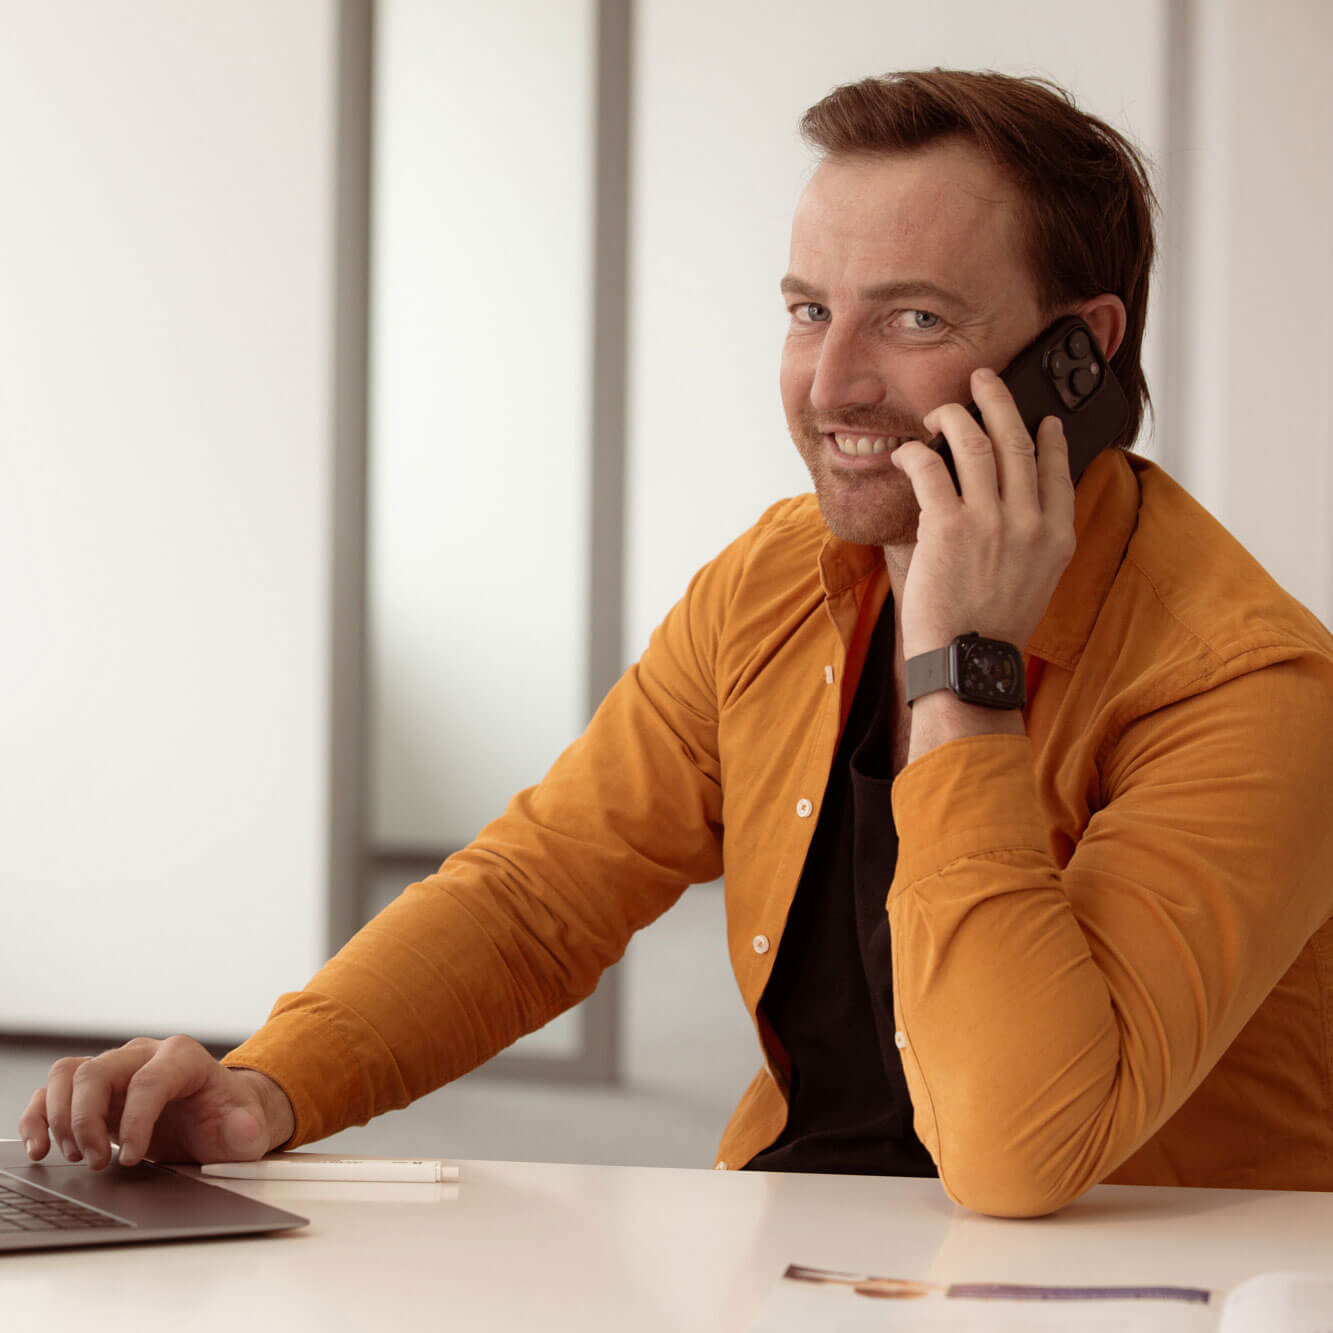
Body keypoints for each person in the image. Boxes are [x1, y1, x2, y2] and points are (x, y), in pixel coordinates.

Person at [19, 69, 1333, 1219]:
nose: (830, 386)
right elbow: (542, 891)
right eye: (809, 309)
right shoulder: (778, 579)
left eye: (913, 318)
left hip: (1144, 1282)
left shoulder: (1247, 688)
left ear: (1076, 357)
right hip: (800, 1242)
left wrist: (964, 665)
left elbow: (1016, 1149)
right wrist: (265, 1083)